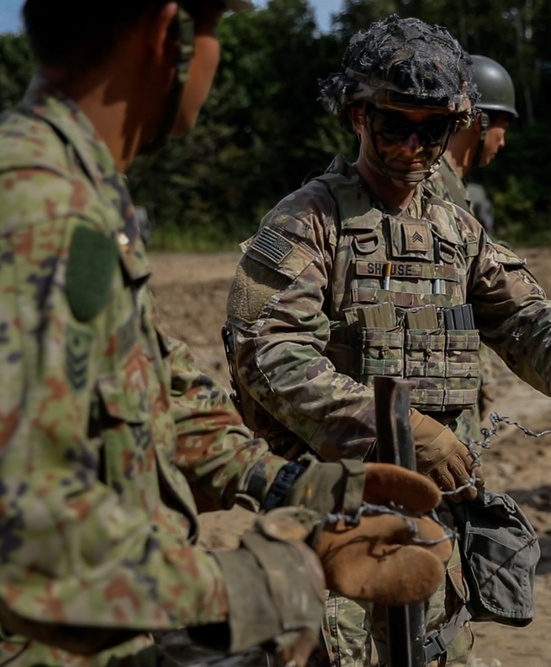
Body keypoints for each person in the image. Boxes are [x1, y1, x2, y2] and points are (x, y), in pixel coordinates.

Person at [0, 2, 452, 665]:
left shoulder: (75, 194)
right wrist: (281, 578)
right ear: (167, 33)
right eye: (213, 30)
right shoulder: (40, 212)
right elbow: (36, 555)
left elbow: (155, 395)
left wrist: (302, 490)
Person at [223, 15, 551, 666]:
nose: (413, 146)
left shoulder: (455, 228)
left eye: (435, 129)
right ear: (356, 115)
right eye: (395, 124)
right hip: (338, 528)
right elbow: (266, 351)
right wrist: (400, 427)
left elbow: (521, 313)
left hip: (436, 531)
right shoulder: (309, 221)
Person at [421, 53, 518, 445]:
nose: (503, 140)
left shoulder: (454, 190)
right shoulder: (431, 189)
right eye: (502, 126)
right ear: (478, 122)